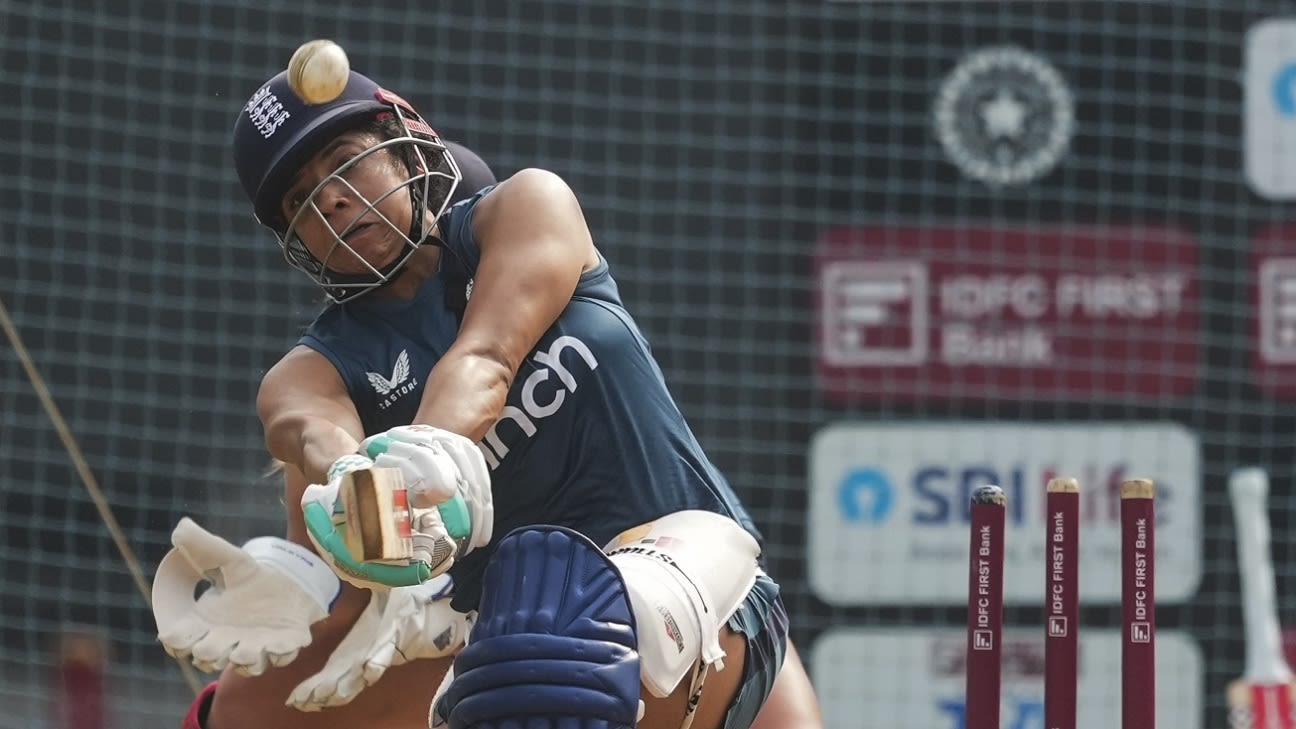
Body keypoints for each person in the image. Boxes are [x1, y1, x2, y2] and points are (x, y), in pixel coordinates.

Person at [153, 63, 823, 729]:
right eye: (300, 201)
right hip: (527, 664)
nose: (328, 200)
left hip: (701, 593)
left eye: (345, 161)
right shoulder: (311, 372)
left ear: (405, 141)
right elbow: (314, 435)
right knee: (517, 649)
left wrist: (421, 457)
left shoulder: (526, 206)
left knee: (551, 635)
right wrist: (348, 491)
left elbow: (485, 358)